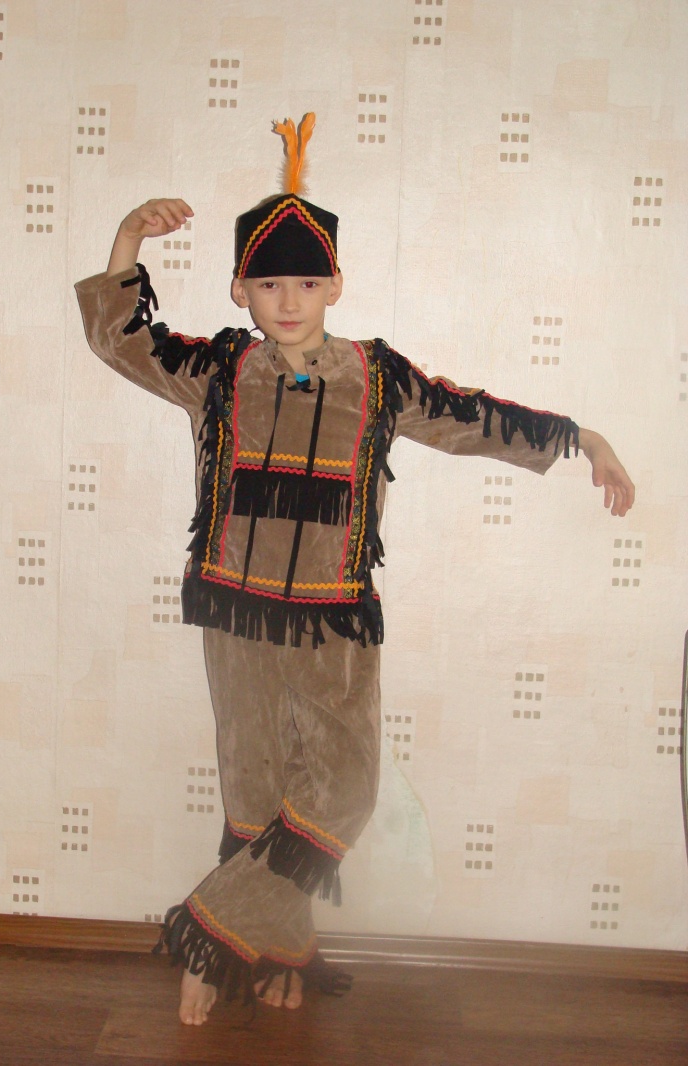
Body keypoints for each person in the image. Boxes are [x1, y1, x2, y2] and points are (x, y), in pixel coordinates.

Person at [75, 115, 634, 1026]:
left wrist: (583, 438)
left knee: (342, 793)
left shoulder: (378, 378)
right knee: (256, 789)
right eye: (268, 284)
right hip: (234, 614)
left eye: (306, 282)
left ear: (335, 284)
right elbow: (123, 343)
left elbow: (471, 415)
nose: (288, 299)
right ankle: (281, 950)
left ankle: (210, 933)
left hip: (335, 618)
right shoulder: (219, 369)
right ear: (241, 290)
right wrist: (129, 237)